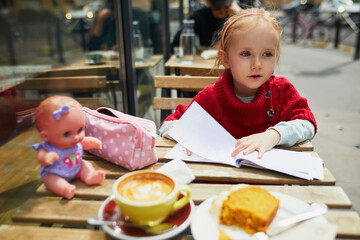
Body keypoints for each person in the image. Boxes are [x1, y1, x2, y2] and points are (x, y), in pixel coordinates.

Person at [160, 8, 317, 159]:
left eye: (267, 54)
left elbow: (307, 123)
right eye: (246, 54)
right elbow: (169, 124)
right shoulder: (211, 98)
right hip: (219, 180)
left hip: (269, 182)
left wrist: (273, 135)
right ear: (226, 59)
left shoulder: (281, 91)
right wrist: (188, 135)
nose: (257, 64)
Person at [33, 96, 105, 199]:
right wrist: (46, 158)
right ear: (45, 136)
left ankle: (89, 176)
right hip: (56, 173)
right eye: (66, 134)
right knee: (49, 179)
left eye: (80, 130)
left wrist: (92, 142)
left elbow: (84, 142)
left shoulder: (76, 142)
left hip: (76, 169)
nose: (76, 137)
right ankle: (65, 189)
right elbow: (41, 157)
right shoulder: (46, 147)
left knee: (85, 164)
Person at [171, 0, 255, 51]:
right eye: (217, 7)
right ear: (208, 2)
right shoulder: (200, 15)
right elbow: (176, 42)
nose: (222, 10)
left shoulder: (243, 11)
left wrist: (240, 15)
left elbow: (259, 33)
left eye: (226, 5)